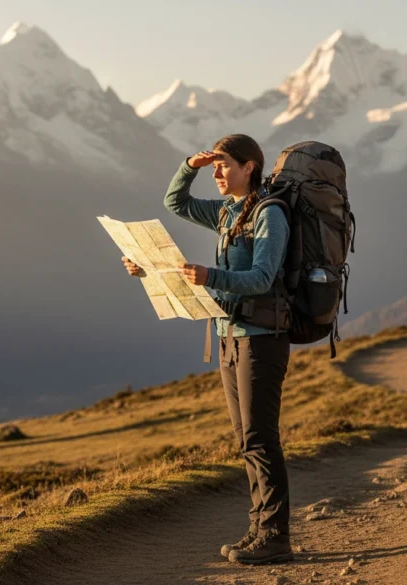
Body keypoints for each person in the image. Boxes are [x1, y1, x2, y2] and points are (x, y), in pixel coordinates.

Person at [121, 134, 293, 565]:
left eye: (223, 165)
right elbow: (174, 203)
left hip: (261, 340)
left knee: (259, 438)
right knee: (244, 439)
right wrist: (189, 166)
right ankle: (259, 530)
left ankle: (276, 536)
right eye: (214, 166)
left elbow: (262, 277)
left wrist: (209, 276)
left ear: (249, 167)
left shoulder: (269, 215)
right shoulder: (227, 211)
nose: (216, 172)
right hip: (229, 338)